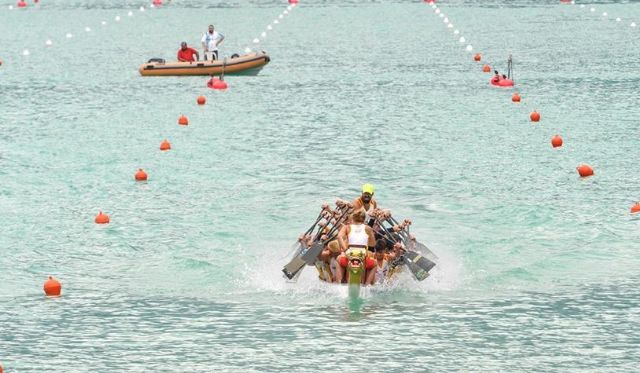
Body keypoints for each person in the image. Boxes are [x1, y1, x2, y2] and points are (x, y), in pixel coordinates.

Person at [335, 210, 376, 284]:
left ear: (353, 218)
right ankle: (367, 284)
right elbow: (373, 244)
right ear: (364, 220)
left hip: (350, 253)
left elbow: (339, 237)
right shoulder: (368, 228)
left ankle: (339, 283)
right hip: (362, 253)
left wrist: (345, 250)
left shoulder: (347, 227)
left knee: (338, 259)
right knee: (374, 264)